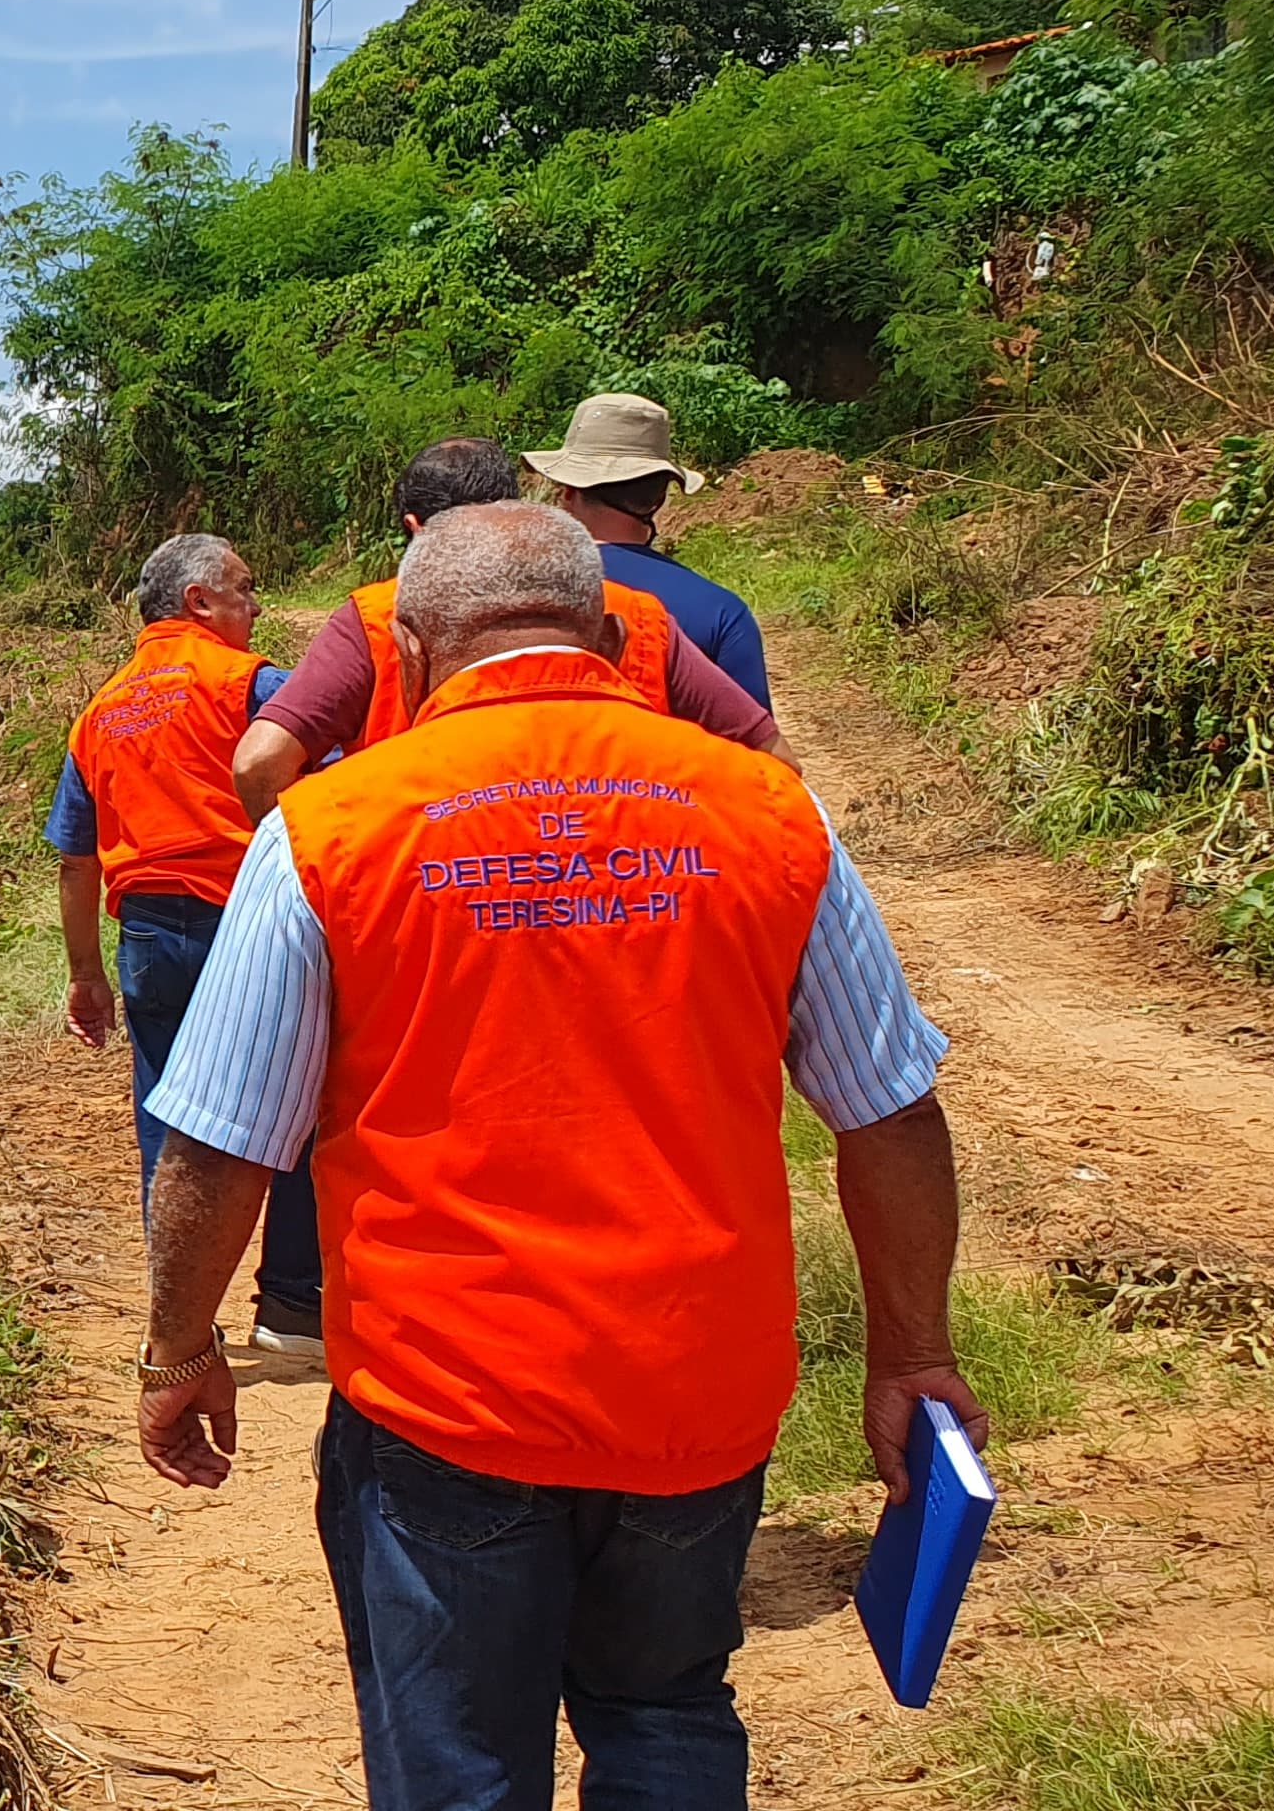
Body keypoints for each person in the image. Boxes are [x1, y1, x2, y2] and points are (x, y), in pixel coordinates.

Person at [127, 500, 979, 1811]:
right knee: (669, 1712)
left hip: (453, 1404)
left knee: (463, 1794)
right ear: (611, 640)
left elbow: (217, 1137)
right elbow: (887, 1105)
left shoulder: (342, 826)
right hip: (698, 1392)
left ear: (416, 658)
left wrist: (175, 1346)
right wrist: (907, 1347)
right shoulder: (762, 815)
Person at [50, 532, 326, 1353]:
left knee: (165, 1121)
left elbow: (76, 856)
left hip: (147, 941)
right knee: (300, 1108)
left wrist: (85, 975)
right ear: (198, 601)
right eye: (244, 588)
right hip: (253, 927)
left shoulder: (99, 713)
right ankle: (290, 1307)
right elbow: (331, 792)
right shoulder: (253, 685)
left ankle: (182, 1322)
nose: (257, 605)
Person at [229, 438, 782, 824]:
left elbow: (258, 765)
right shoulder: (632, 614)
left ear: (415, 529)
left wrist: (323, 857)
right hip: (629, 903)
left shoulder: (377, 619)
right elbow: (772, 766)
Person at [526, 390, 770, 708]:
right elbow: (754, 748)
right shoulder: (721, 611)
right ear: (659, 498)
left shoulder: (514, 596)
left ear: (568, 491)